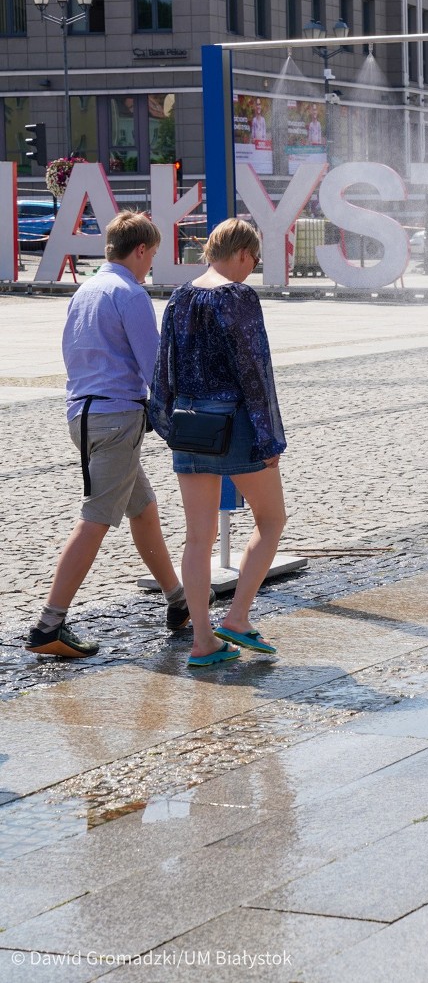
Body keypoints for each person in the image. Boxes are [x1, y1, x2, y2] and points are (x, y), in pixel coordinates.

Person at [26, 211, 187, 659]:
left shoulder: (87, 290)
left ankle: (178, 601)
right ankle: (48, 624)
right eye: (151, 256)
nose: (150, 264)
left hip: (83, 414)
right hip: (118, 418)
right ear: (139, 250)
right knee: (96, 517)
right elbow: (155, 366)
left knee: (143, 507)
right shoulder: (129, 293)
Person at [149, 218, 287, 668]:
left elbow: (162, 367)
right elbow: (255, 370)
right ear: (244, 254)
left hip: (191, 424)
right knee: (271, 521)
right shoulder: (240, 297)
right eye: (255, 261)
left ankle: (203, 641)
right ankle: (239, 617)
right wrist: (270, 438)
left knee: (196, 537)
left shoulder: (179, 297)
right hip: (237, 425)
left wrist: (165, 420)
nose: (253, 270)